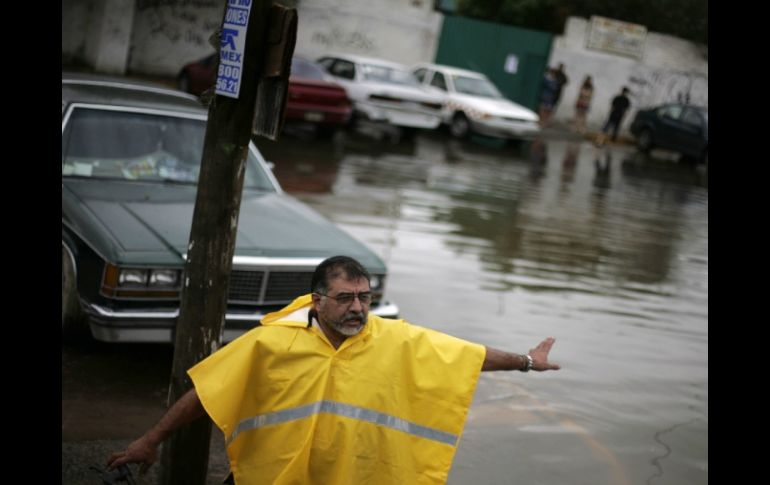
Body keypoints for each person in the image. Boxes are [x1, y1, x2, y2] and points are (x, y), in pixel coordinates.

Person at [106, 256, 560, 484]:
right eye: (345, 298)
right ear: (317, 300)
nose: (358, 308)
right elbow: (206, 394)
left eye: (364, 297)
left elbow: (468, 355)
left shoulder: (395, 338)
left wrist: (525, 361)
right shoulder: (271, 342)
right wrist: (150, 441)